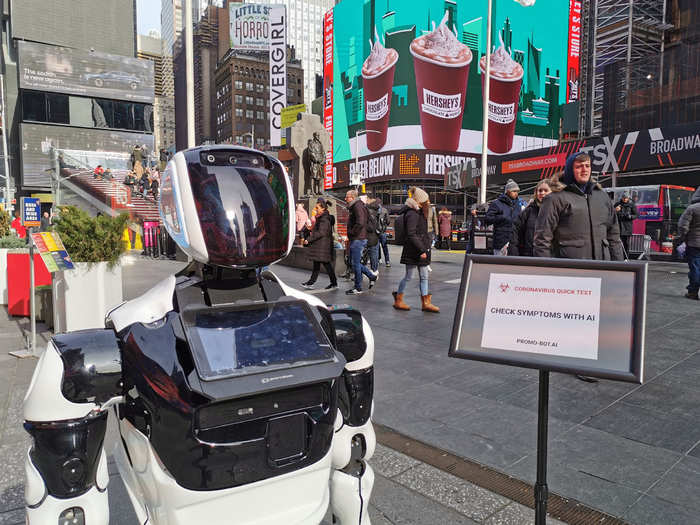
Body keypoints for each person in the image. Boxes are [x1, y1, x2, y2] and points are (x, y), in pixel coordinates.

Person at [533, 152, 624, 260]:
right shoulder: (554, 199)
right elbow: (542, 240)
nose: (584, 170)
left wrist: (619, 267)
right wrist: (547, 270)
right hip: (569, 270)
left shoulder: (603, 197)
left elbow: (613, 236)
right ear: (570, 170)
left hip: (602, 268)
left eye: (587, 166)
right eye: (579, 167)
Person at [392, 187, 439, 312]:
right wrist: (422, 250)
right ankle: (399, 300)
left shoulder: (416, 211)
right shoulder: (413, 213)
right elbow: (411, 234)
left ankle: (425, 302)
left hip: (418, 248)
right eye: (426, 201)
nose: (428, 203)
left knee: (423, 276)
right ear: (420, 202)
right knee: (409, 276)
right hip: (415, 251)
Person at [508, 179, 556, 256]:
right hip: (529, 256)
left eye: (545, 190)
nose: (542, 193)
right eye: (540, 190)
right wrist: (514, 254)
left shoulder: (558, 211)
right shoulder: (528, 211)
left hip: (551, 258)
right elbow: (515, 233)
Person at [345, 189, 377, 295]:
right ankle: (372, 276)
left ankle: (358, 287)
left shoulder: (357, 206)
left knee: (355, 264)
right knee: (356, 263)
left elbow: (360, 222)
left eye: (347, 197)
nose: (345, 199)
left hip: (358, 238)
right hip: (359, 237)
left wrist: (352, 232)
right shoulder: (357, 206)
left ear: (353, 197)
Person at [301, 198, 338, 290]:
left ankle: (333, 283)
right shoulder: (321, 218)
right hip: (321, 245)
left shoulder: (324, 219)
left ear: (323, 209)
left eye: (317, 208)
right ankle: (311, 282)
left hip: (323, 246)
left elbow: (321, 232)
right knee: (317, 264)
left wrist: (309, 239)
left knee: (326, 265)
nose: (315, 209)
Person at [486, 179, 522, 255]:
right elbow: (488, 219)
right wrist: (502, 218)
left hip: (514, 242)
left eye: (517, 191)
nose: (516, 193)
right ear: (508, 191)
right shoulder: (496, 203)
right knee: (499, 265)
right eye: (514, 191)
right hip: (500, 241)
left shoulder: (518, 205)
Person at [677, 187, 700, 300]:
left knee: (695, 267)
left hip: (694, 244)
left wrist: (683, 237)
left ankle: (693, 292)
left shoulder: (692, 208)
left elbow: (682, 226)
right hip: (694, 243)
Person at [614, 192, 638, 257]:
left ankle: (626, 257)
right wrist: (615, 210)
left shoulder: (632, 205)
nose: (625, 199)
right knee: (618, 243)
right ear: (622, 198)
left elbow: (636, 215)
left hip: (627, 227)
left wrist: (630, 216)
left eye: (626, 198)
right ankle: (619, 256)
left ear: (628, 198)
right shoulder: (617, 204)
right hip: (619, 226)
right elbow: (612, 213)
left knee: (626, 243)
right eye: (624, 198)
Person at [366, 197, 381, 273]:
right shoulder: (377, 210)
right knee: (374, 252)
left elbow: (370, 227)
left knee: (372, 253)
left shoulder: (369, 211)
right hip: (376, 234)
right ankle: (375, 269)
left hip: (370, 235)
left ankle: (374, 269)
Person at [374, 198, 391, 267]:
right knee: (384, 247)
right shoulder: (384, 210)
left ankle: (378, 259)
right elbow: (388, 221)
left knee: (377, 246)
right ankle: (387, 261)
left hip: (375, 231)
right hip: (382, 231)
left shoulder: (373, 210)